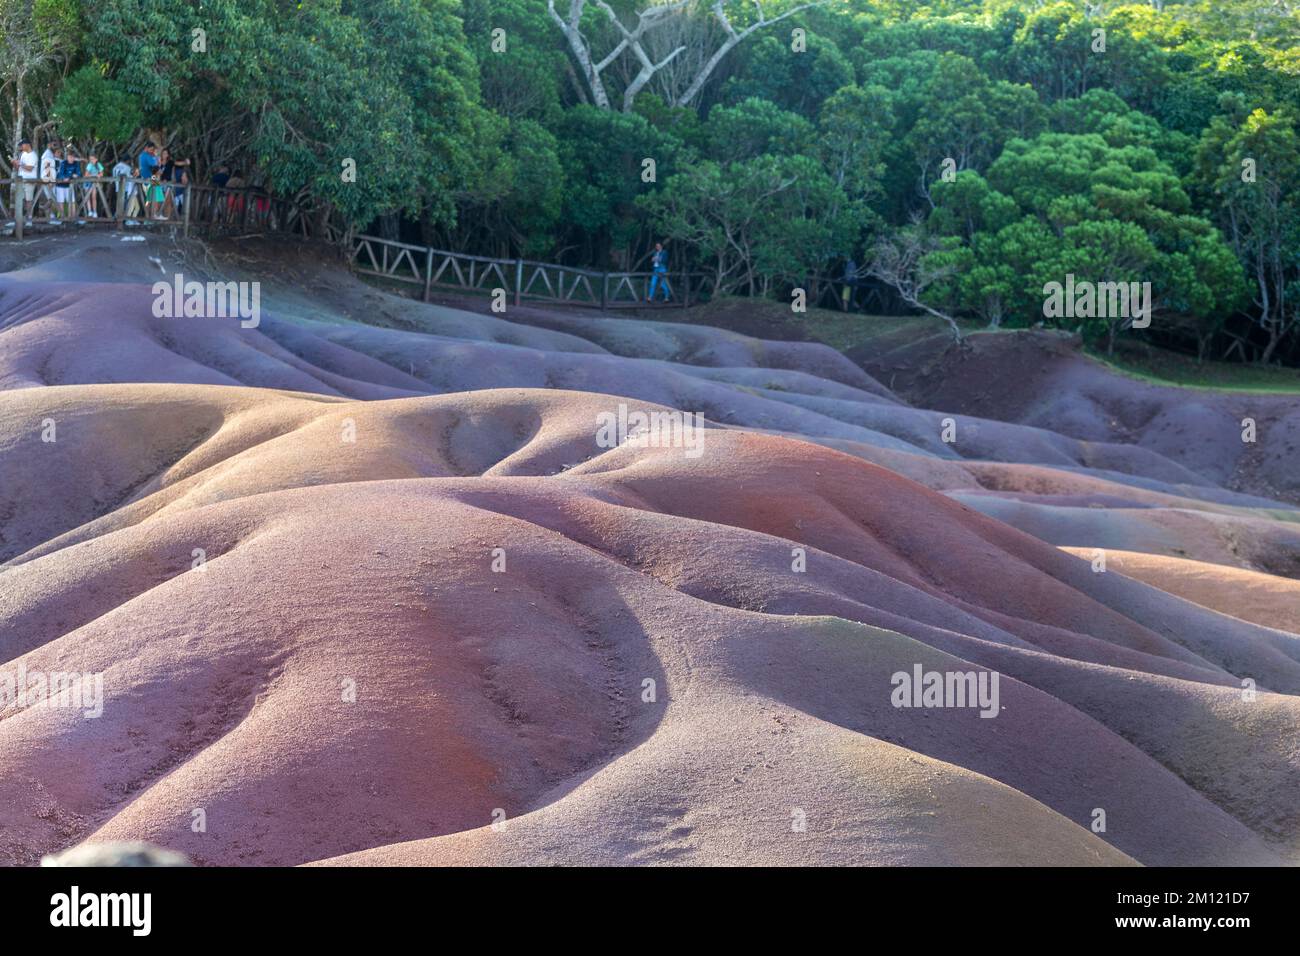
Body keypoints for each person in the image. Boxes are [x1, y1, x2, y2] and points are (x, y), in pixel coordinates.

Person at [14, 139, 37, 223]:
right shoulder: (22, 154)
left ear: (28, 145)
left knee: (29, 200)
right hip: (21, 180)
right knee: (20, 199)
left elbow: (30, 168)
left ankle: (29, 219)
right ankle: (20, 219)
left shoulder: (33, 155)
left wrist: (20, 164)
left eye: (22, 145)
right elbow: (19, 168)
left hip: (30, 180)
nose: (21, 147)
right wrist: (15, 163)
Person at [56, 145, 81, 221]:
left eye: (72, 157)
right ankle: (62, 218)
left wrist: (70, 176)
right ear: (67, 157)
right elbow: (61, 175)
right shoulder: (63, 163)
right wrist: (71, 175)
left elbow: (79, 173)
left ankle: (72, 217)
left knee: (72, 201)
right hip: (60, 185)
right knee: (61, 201)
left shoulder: (76, 163)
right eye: (70, 157)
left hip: (69, 185)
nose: (71, 159)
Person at [83, 153, 104, 218]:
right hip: (87, 182)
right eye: (90, 159)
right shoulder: (89, 165)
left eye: (92, 159)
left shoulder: (99, 165)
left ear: (96, 159)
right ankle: (89, 211)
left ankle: (95, 211)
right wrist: (94, 175)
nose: (91, 160)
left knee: (94, 197)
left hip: (94, 183)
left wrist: (98, 175)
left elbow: (101, 174)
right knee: (87, 197)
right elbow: (86, 175)